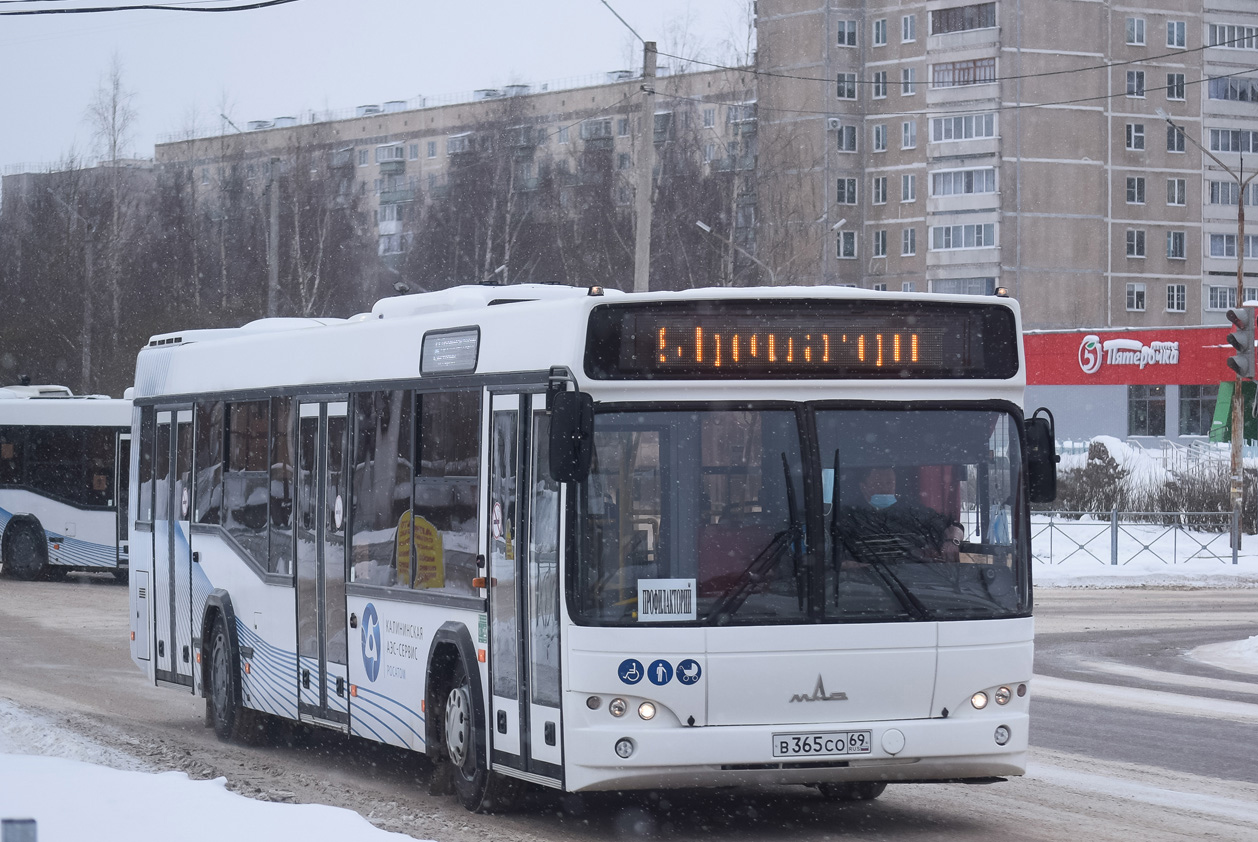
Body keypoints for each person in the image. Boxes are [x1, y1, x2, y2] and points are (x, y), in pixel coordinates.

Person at [841, 467, 963, 563]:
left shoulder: (912, 510)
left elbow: (953, 526)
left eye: (889, 483)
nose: (885, 489)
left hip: (911, 581)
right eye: (878, 484)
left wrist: (952, 541)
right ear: (863, 487)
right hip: (863, 584)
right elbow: (836, 556)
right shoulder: (849, 516)